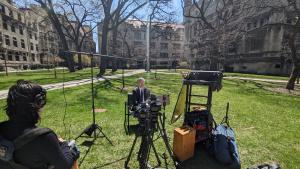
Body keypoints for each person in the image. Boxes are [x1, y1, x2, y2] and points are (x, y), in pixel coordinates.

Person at [0, 80, 79, 169]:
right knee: (73, 149)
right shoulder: (44, 137)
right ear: (37, 104)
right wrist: (65, 145)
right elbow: (65, 165)